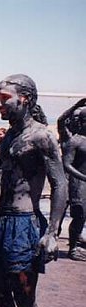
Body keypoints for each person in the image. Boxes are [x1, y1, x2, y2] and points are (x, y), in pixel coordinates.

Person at [0, 74, 67, 307]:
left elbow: (60, 184)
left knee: (24, 296)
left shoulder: (41, 136)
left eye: (4, 98)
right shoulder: (11, 135)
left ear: (25, 98)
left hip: (25, 224)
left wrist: (52, 233)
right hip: (3, 223)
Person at [60, 105, 86, 261]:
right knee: (80, 214)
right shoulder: (75, 141)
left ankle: (78, 241)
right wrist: (83, 177)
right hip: (79, 182)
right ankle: (73, 247)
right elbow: (67, 164)